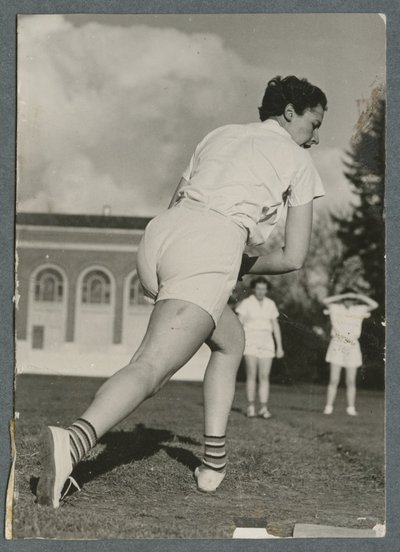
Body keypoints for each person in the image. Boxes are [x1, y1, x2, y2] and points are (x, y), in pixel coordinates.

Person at [36, 75, 327, 507]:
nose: (316, 137)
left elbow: (176, 202)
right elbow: (292, 256)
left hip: (160, 239)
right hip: (210, 246)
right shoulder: (299, 162)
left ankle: (213, 461)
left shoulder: (220, 134)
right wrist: (234, 265)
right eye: (314, 123)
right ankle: (74, 442)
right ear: (289, 113)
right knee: (151, 368)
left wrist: (214, 263)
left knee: (231, 340)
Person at [322, 289, 378, 416]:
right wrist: (344, 294)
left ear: (355, 300)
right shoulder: (336, 308)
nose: (349, 301)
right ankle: (329, 406)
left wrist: (357, 295)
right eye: (347, 299)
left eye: (351, 299)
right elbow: (324, 301)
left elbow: (375, 305)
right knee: (334, 379)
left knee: (351, 380)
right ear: (343, 299)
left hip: (352, 345)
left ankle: (351, 408)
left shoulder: (359, 309)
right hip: (337, 344)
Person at [236, 277, 283, 419]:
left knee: (264, 376)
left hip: (267, 340)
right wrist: (238, 344)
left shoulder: (270, 304)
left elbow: (275, 326)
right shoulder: (246, 303)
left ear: (267, 290)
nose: (261, 292)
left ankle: (263, 408)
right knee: (251, 374)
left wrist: (280, 346)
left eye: (263, 289)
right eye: (258, 289)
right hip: (250, 339)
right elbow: (238, 324)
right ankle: (251, 406)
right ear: (253, 289)